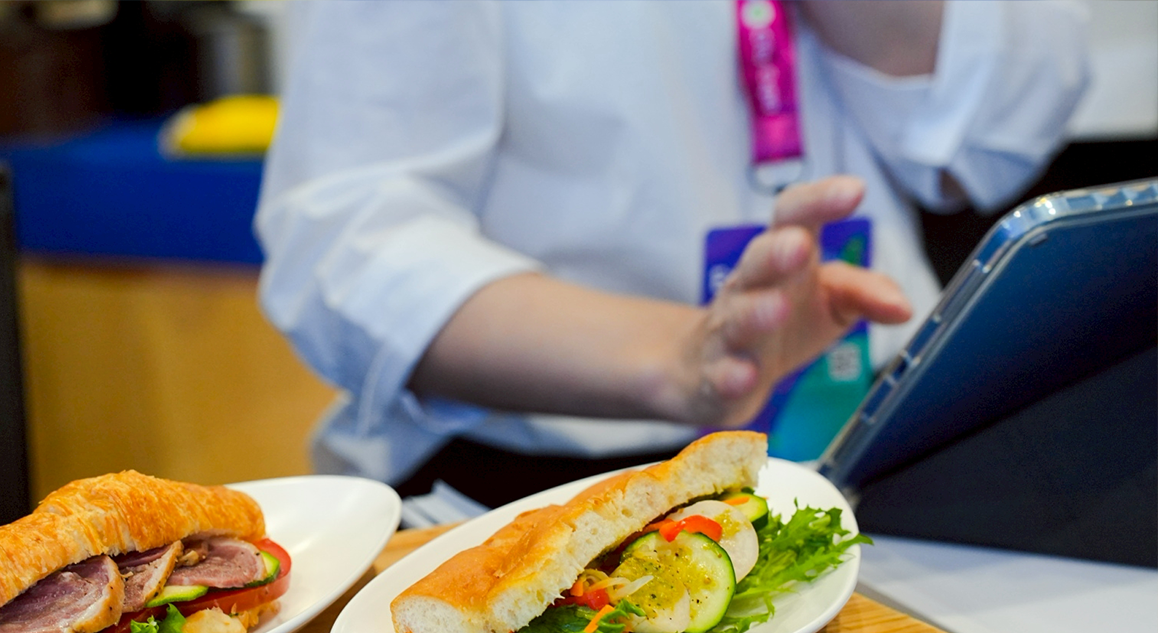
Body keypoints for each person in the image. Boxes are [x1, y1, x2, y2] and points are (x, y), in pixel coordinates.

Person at [254, 0, 1090, 506]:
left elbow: (992, 136)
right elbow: (345, 242)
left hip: (889, 432)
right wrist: (679, 355)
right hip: (550, 476)